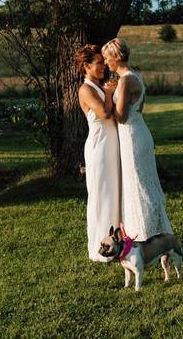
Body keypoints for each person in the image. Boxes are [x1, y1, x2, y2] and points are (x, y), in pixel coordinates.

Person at [102, 37, 174, 242]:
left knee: (138, 185)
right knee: (142, 184)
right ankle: (156, 233)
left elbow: (121, 116)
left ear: (116, 57)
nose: (106, 63)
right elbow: (138, 109)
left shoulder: (125, 80)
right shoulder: (136, 75)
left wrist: (109, 95)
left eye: (107, 58)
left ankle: (144, 235)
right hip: (139, 131)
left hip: (131, 137)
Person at [76, 43, 121, 262]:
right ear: (86, 66)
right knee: (102, 194)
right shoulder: (85, 89)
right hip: (99, 146)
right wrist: (110, 92)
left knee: (113, 193)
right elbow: (103, 112)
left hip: (111, 145)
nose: (103, 66)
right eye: (99, 63)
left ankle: (116, 242)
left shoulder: (101, 86)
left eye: (104, 63)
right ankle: (101, 247)